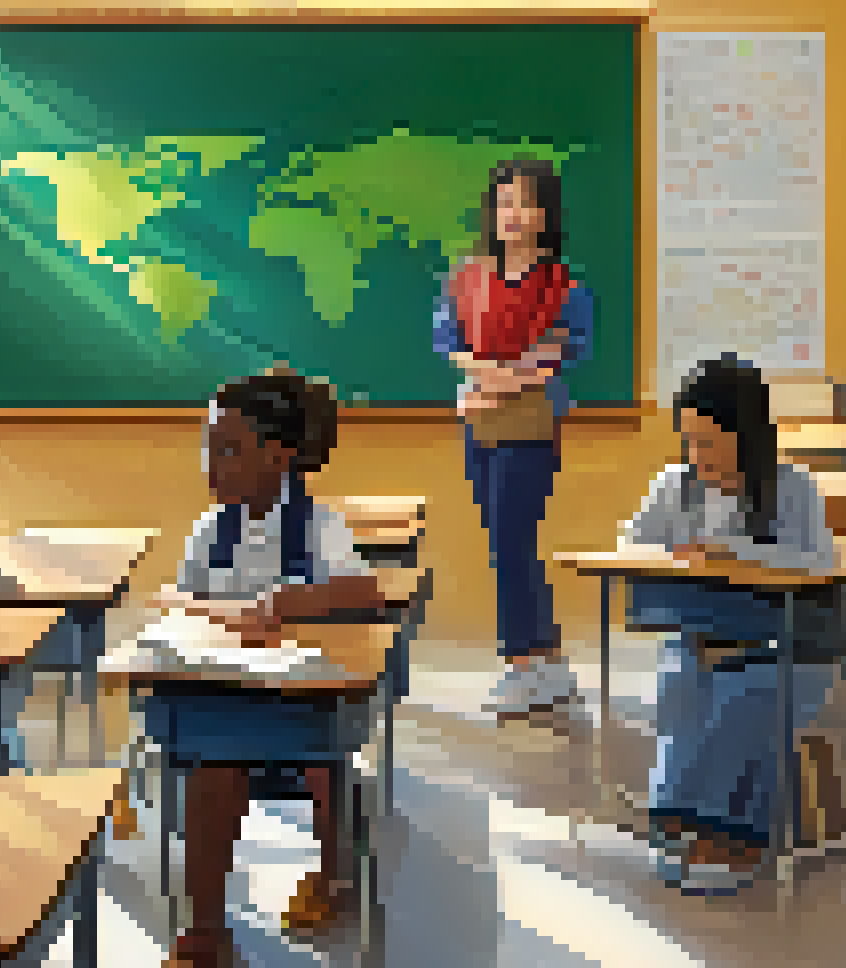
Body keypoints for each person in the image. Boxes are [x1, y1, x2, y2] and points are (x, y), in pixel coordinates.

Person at [152, 372, 388, 968]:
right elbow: (176, 605)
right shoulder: (209, 532)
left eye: (228, 449)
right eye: (209, 447)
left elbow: (363, 593)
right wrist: (231, 616)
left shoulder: (316, 524)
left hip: (306, 690)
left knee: (322, 757)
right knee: (213, 753)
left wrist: (283, 605)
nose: (212, 463)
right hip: (227, 685)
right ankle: (205, 932)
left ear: (278, 456)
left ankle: (332, 873)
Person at [620, 355, 839, 894]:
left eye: (709, 442)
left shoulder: (793, 488)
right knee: (681, 689)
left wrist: (727, 550)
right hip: (699, 635)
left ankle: (733, 834)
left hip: (787, 644)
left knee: (746, 696)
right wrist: (667, 552)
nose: (698, 456)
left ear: (747, 436)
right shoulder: (675, 485)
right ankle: (675, 825)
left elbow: (818, 561)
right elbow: (631, 544)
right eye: (689, 442)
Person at [433, 158, 595, 720]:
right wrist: (483, 373)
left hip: (529, 420)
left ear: (546, 213)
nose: (513, 214)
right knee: (505, 542)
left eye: (525, 203)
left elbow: (564, 347)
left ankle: (522, 664)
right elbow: (446, 338)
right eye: (504, 202)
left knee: (511, 542)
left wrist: (505, 380)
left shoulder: (562, 284)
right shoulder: (467, 277)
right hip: (479, 418)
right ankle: (548, 663)